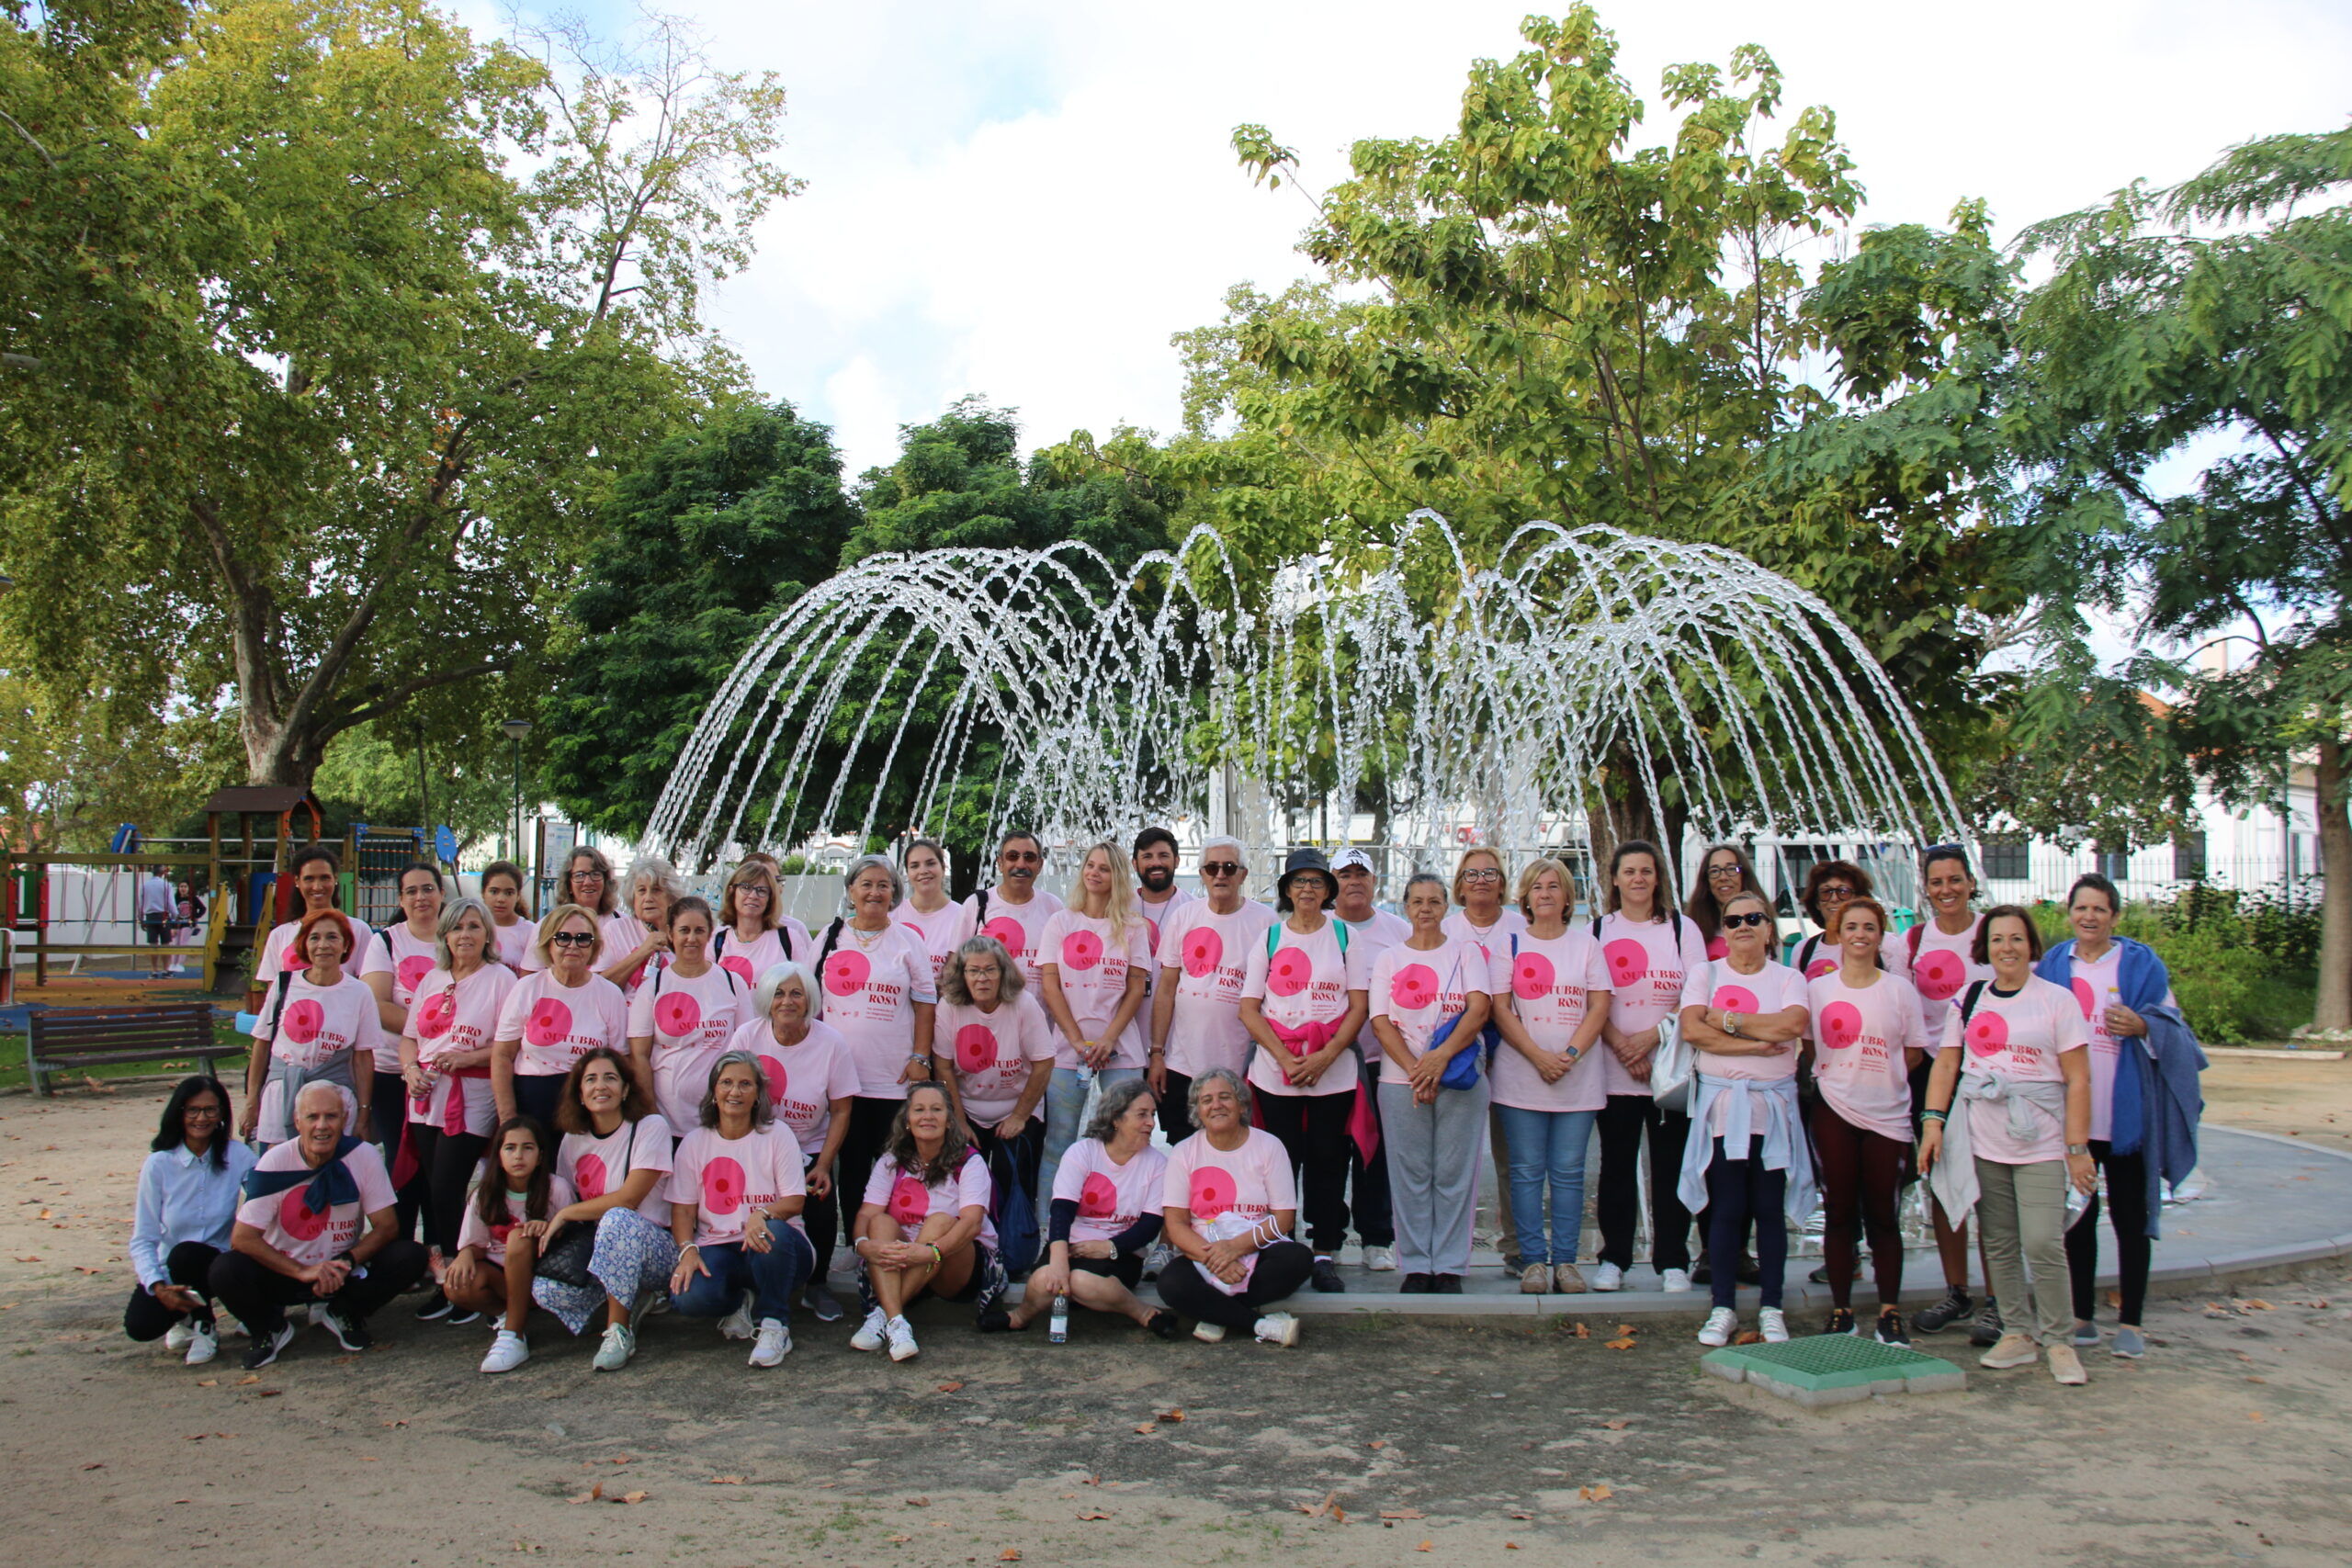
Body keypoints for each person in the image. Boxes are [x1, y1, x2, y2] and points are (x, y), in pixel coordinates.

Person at [1918, 905, 2098, 1385]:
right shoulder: (1970, 998)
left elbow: (2078, 1078)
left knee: (2042, 1240)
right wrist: (1933, 1123)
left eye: (2016, 939)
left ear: (2031, 945)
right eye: (1997, 939)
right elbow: (1946, 1065)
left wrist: (2077, 1147)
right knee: (1997, 1241)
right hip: (1984, 1137)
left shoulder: (2056, 1001)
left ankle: (2059, 1339)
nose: (2007, 948)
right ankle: (2018, 1332)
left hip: (2040, 1140)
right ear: (1985, 947)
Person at [209, 1081, 430, 1369]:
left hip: (341, 1270)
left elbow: (387, 1226)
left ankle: (344, 1311)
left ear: (345, 1119)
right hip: (286, 1270)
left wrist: (347, 1261)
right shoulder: (275, 1162)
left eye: (331, 1116)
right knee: (225, 1269)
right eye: (313, 1117)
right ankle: (269, 1328)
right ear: (298, 1121)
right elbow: (243, 1238)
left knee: (409, 1255)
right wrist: (302, 1272)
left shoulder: (362, 1155)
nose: (322, 1126)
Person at [2049, 874, 2177, 1361]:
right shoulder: (2055, 965)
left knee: (2130, 1216)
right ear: (2070, 913)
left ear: (2115, 917)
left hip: (2124, 1114)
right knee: (2078, 1218)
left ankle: (2132, 1320)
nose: (2089, 917)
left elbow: (2174, 1026)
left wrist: (2144, 1025)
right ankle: (2082, 1316)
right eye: (2081, 908)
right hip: (2075, 1114)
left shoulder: (2142, 964)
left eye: (2099, 910)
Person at [1676, 888, 1812, 1347]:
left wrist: (1725, 1020)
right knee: (1727, 1207)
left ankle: (1772, 1306)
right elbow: (1693, 1030)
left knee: (1769, 1209)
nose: (1744, 927)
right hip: (1723, 1108)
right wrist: (1755, 1041)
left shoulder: (1789, 977)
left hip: (1771, 1108)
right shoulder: (1705, 973)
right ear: (1724, 931)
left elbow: (1791, 1026)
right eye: (1734, 921)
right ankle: (1722, 1307)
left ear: (1770, 928)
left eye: (1754, 918)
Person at [1238, 847, 1371, 1294]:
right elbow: (1249, 1008)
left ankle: (1325, 1251)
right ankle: (1283, 1247)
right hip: (1279, 1072)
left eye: (1316, 882)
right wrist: (1284, 1056)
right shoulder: (1270, 938)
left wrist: (1325, 1056)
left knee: (1329, 1162)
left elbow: (1359, 1005)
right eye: (1300, 882)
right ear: (1287, 890)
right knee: (1280, 1163)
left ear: (1328, 890)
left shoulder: (1345, 937)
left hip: (1331, 1071)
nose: (1308, 889)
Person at [811, 854, 944, 1274]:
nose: (874, 892)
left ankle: (899, 1238)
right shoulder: (831, 937)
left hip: (892, 1077)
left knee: (895, 1164)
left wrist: (921, 1058)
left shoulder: (907, 940)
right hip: (842, 1080)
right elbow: (810, 1001)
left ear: (894, 892)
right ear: (850, 891)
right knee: (850, 1165)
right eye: (865, 884)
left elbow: (925, 1002)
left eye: (883, 885)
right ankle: (856, 1240)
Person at [1806, 896, 1928, 1341]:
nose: (1860, 935)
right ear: (1838, 933)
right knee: (1838, 1210)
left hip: (1887, 1114)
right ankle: (1841, 1311)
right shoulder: (1818, 989)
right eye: (1851, 927)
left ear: (1880, 936)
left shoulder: (1899, 991)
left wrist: (1879, 1077)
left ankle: (1889, 1311)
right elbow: (1809, 1046)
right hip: (1835, 1108)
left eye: (1869, 928)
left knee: (1883, 1213)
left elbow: (1913, 1052)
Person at [1590, 840, 1709, 1292]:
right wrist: (1623, 1046)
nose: (1638, 879)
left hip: (1671, 1072)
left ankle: (1672, 1260)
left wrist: (1651, 1038)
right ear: (1615, 879)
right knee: (1617, 1168)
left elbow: (1697, 992)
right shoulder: (1599, 931)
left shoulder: (1682, 929)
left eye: (1646, 871)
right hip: (1616, 1071)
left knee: (1671, 1167)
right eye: (1629, 871)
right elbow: (1591, 997)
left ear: (1658, 877)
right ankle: (1614, 1258)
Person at [1490, 856, 1613, 1293]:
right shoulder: (1510, 945)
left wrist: (1571, 1054)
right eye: (1537, 887)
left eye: (1553, 886)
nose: (1545, 893)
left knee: (1568, 1171)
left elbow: (1599, 1005)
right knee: (1524, 1171)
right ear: (1525, 898)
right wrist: (1537, 1055)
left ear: (1567, 897)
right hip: (1521, 1076)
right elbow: (1500, 1008)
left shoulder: (1586, 946)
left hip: (1577, 1079)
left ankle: (1565, 1261)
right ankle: (1532, 1262)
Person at [1367, 873, 1492, 1292]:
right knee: (1410, 1174)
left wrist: (1439, 1059)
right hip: (1400, 1082)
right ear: (1405, 906)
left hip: (1458, 1078)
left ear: (1446, 908)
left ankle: (1451, 1265)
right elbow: (1381, 1022)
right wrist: (1416, 1071)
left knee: (1454, 1173)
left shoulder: (1466, 953)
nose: (1425, 909)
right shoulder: (1390, 958)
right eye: (1417, 901)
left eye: (1434, 902)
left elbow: (1479, 1009)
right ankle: (1417, 1263)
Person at [981, 1078, 1176, 1337]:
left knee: (1081, 1282)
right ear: (1115, 1118)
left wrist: (1110, 1247)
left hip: (1121, 1252)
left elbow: (1150, 1225)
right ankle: (1019, 1317)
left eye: (1152, 1114)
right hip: (1071, 1244)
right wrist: (1059, 1260)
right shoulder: (1082, 1152)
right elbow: (1061, 1210)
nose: (1151, 1122)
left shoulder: (1157, 1164)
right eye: (1142, 1115)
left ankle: (1144, 1312)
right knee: (1043, 1280)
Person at [401, 896, 517, 1323]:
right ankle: (446, 1276)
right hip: (426, 1096)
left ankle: (466, 1273)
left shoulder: (500, 979)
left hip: (471, 1096)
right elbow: (410, 1036)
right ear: (444, 935)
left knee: (451, 1185)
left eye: (473, 926)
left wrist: (466, 1059)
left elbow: (510, 1044)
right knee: (432, 1190)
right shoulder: (432, 979)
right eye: (456, 927)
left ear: (487, 933)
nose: (464, 935)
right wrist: (410, 1068)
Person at [724, 962, 858, 1321]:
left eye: (796, 993)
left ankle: (816, 1285)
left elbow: (841, 1110)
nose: (787, 1001)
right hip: (756, 1144)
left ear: (809, 999)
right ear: (767, 999)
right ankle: (749, 1282)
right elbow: (729, 1096)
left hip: (809, 1145)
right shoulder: (747, 1038)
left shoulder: (831, 1043)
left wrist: (826, 1164)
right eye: (779, 993)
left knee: (821, 1205)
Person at [665, 1051, 816, 1368]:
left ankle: (774, 1323)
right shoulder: (694, 1142)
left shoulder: (777, 1134)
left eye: (745, 1084)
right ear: (714, 1092)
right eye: (727, 1083)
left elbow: (795, 1201)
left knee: (769, 1231)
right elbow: (682, 1210)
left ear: (758, 1094)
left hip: (780, 1248)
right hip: (720, 1246)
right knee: (687, 1298)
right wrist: (687, 1250)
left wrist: (761, 1214)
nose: (735, 1092)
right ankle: (739, 1302)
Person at [1904, 845, 1999, 1343]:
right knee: (1941, 1181)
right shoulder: (1914, 941)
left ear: (1970, 881)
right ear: (1926, 886)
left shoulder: (1993, 934)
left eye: (1955, 880)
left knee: (1991, 1183)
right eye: (1937, 881)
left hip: (1987, 1073)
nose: (1947, 890)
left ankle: (1999, 1297)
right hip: (1933, 1073)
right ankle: (1957, 1290)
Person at [534, 1047, 679, 1371]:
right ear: (580, 1094)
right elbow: (567, 1196)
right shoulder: (573, 1139)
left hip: (655, 1249)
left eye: (611, 1078)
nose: (601, 1086)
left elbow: (629, 1199)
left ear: (626, 1090)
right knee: (546, 1290)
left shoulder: (649, 1127)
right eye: (591, 1080)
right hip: (601, 1247)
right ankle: (630, 1296)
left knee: (617, 1219)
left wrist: (566, 1214)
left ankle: (618, 1330)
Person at [1037, 840, 1152, 1225]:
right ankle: (1048, 1229)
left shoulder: (1133, 928)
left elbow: (1136, 988)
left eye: (1104, 868)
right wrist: (1074, 1039)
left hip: (1121, 1050)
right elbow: (1050, 985)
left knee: (1129, 1140)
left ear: (1117, 876)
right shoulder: (1061, 922)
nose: (1094, 873)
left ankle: (1125, 1224)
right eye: (1090, 865)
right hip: (1068, 1050)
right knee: (1059, 1141)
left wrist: (1107, 1039)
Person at [847, 1082, 1005, 1361]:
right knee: (881, 1223)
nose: (927, 1116)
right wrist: (862, 1245)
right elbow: (866, 1215)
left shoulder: (970, 1162)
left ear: (949, 1120)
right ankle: (897, 1322)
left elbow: (971, 1224)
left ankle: (883, 1315)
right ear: (907, 1120)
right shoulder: (891, 1161)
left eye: (936, 1109)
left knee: (942, 1221)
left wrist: (932, 1251)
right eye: (919, 1109)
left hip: (952, 1262)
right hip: (905, 1260)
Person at [1155, 1067, 1314, 1346]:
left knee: (1298, 1259)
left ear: (1241, 1105)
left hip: (1256, 1248)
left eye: (1225, 1097)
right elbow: (1176, 1224)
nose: (1216, 1105)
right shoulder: (1184, 1152)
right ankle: (1260, 1324)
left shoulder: (1269, 1146)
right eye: (1206, 1100)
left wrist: (1234, 1249)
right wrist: (1213, 1261)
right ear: (1197, 1111)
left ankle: (1216, 1312)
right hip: (1204, 1253)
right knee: (1171, 1284)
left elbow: (1284, 1219)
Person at [937, 934, 1055, 1268]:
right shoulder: (950, 1005)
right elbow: (943, 1064)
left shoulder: (1023, 1003)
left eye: (990, 970)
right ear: (961, 974)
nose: (982, 978)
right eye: (973, 971)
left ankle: (1015, 1254)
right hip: (968, 1108)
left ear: (1003, 972)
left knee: (1012, 1177)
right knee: (961, 1183)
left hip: (1016, 1106)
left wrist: (1020, 1116)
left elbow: (1044, 1062)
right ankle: (969, 1253)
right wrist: (958, 1121)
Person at [1148, 837, 1275, 1144]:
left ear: (1243, 875)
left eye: (1229, 868)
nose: (1220, 874)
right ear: (1203, 874)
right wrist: (1156, 1055)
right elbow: (1165, 990)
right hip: (1182, 1064)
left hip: (1239, 1065)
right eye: (1212, 868)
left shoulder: (1266, 922)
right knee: (1183, 1149)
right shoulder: (1184, 917)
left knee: (1237, 1150)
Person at [126, 1076, 258, 1364]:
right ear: (180, 1113)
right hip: (173, 1268)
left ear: (222, 1113)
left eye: (210, 1110)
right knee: (140, 1325)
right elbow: (143, 1239)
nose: (202, 1118)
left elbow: (264, 1203)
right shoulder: (159, 1164)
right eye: (193, 1110)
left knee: (188, 1255)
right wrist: (157, 1287)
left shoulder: (238, 1155)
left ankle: (206, 1324)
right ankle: (186, 1315)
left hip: (220, 1263)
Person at [1442, 844, 1528, 1272]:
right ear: (1459, 884)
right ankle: (1446, 1248)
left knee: (1512, 1157)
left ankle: (1516, 1247)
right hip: (1458, 1055)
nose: (1480, 881)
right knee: (1452, 1158)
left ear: (1503, 882)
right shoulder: (1445, 929)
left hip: (1513, 1053)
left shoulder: (1521, 928)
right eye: (1472, 874)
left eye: (1490, 873)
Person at [239, 908, 379, 1148]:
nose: (323, 945)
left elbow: (363, 1057)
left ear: (346, 945)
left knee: (329, 1170)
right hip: (281, 1092)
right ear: (305, 945)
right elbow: (262, 1043)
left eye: (332, 937)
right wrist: (252, 1101)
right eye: (315, 937)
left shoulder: (359, 992)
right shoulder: (284, 985)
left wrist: (364, 1113)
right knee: (278, 1171)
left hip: (333, 1097)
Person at [446, 1115, 574, 1373]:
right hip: (501, 1280)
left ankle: (514, 1335)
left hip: (541, 1278)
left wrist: (549, 1229)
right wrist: (465, 1255)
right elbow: (475, 1244)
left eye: (528, 1148)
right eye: (510, 1148)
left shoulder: (556, 1188)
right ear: (499, 1156)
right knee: (456, 1284)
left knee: (519, 1236)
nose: (518, 1156)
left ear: (539, 1156)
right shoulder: (484, 1195)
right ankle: (507, 1317)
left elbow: (574, 1237)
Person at [1330, 847, 1406, 1274]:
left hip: (1383, 1060)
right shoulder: (1319, 929)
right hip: (1331, 1060)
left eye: (1362, 873)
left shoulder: (1398, 931)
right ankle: (1330, 1235)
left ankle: (1377, 1237)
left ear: (1375, 881)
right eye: (1345, 873)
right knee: (1331, 1149)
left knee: (1374, 1151)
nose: (1354, 881)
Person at [493, 904, 631, 1129]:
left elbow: (621, 1061)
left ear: (593, 946)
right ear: (548, 943)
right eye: (563, 937)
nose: (573, 945)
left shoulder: (610, 994)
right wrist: (508, 1119)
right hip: (531, 1105)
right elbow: (501, 1056)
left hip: (589, 1110)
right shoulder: (527, 988)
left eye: (583, 938)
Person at [362, 861, 443, 1232]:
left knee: (436, 1162)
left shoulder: (459, 935)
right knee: (400, 1158)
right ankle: (400, 1244)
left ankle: (436, 1246)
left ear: (442, 894)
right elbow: (377, 1006)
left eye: (427, 888)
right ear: (401, 899)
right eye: (411, 891)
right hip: (393, 1070)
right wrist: (428, 1035)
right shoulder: (386, 942)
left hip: (443, 1073)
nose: (420, 897)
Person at [628, 896, 749, 1134]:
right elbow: (639, 1057)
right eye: (684, 930)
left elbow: (746, 1050)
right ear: (670, 934)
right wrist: (652, 1115)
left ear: (709, 934)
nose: (691, 938)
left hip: (722, 1119)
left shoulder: (732, 983)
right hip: (668, 1121)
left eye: (699, 931)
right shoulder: (652, 988)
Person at [965, 829, 1065, 991]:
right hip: (987, 1013)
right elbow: (955, 963)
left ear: (1039, 865)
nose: (1020, 864)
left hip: (1039, 1015)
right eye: (1012, 856)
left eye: (1029, 857)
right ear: (1000, 864)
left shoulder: (1053, 907)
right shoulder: (977, 904)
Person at [253, 842, 345, 1009]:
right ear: (297, 881)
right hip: (291, 1029)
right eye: (309, 878)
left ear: (335, 878)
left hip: (342, 1028)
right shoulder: (280, 935)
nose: (317, 886)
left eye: (324, 877)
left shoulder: (357, 930)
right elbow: (274, 998)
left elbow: (366, 990)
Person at [1789, 861, 1905, 980]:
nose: (1834, 899)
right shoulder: (1803, 951)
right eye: (1826, 892)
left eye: (1843, 892)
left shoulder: (1886, 945)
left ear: (1858, 899)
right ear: (1817, 903)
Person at [712, 857, 814, 987]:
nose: (753, 895)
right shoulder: (717, 940)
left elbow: (807, 989)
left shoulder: (789, 938)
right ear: (732, 892)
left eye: (762, 890)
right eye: (746, 887)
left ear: (770, 898)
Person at [894, 838, 978, 989]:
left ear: (943, 867)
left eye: (930, 863)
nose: (923, 871)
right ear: (908, 873)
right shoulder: (893, 916)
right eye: (914, 866)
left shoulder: (962, 916)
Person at [600, 854, 685, 994]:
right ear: (633, 897)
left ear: (670, 896)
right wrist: (643, 951)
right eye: (641, 890)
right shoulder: (616, 930)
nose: (648, 898)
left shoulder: (684, 931)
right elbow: (600, 988)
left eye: (656, 890)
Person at [1685, 843, 1763, 961]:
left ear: (1744, 875)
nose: (1723, 877)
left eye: (1731, 869)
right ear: (1706, 880)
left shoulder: (1761, 922)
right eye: (1714, 871)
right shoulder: (1692, 928)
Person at [1130, 826, 1193, 957]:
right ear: (1135, 864)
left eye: (1163, 856)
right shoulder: (1119, 908)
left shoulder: (1194, 909)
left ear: (1176, 861)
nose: (1156, 863)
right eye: (1147, 856)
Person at [481, 860, 537, 970]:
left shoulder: (530, 931)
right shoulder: (474, 928)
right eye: (494, 891)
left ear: (518, 895)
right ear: (483, 893)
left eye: (509, 893)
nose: (501, 899)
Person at [139, 863, 175, 978]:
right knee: (165, 943)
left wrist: (140, 918)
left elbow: (140, 902)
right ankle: (166, 969)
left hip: (150, 916)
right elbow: (170, 903)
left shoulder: (145, 885)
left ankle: (154, 970)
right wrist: (176, 916)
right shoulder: (166, 885)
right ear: (162, 872)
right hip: (164, 916)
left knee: (153, 944)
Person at [170, 879, 206, 976]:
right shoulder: (175, 898)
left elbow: (203, 908)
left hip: (188, 923)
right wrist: (172, 927)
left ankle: (179, 964)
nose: (183, 889)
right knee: (175, 943)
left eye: (185, 887)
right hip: (177, 923)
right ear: (178, 888)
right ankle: (173, 963)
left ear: (188, 888)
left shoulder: (193, 898)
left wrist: (196, 916)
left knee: (183, 942)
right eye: (181, 887)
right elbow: (171, 913)